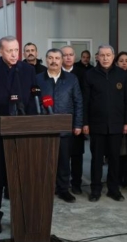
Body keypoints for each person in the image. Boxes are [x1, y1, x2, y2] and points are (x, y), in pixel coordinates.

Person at [0, 35, 36, 234]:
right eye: (9, 50)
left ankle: (21, 217)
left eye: (16, 50)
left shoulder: (27, 70)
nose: (14, 54)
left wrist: (33, 121)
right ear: (0, 51)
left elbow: (33, 97)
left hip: (22, 132)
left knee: (19, 177)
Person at [83, 44, 127, 202]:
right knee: (96, 159)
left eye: (108, 55)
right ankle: (96, 190)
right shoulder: (90, 74)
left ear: (113, 57)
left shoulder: (122, 75)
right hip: (96, 125)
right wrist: (85, 123)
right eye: (102, 55)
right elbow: (85, 102)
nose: (105, 58)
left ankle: (114, 189)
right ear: (97, 57)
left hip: (117, 125)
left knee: (114, 159)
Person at [37, 48, 83, 203]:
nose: (54, 61)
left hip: (65, 127)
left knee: (64, 161)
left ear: (62, 60)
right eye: (50, 58)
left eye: (57, 58)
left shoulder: (72, 79)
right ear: (46, 59)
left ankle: (63, 190)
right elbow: (32, 102)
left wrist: (77, 124)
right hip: (44, 127)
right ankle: (45, 189)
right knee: (45, 161)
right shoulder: (38, 79)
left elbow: (78, 102)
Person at [61, 46, 86, 195]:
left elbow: (83, 100)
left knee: (77, 155)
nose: (68, 57)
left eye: (71, 55)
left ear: (74, 56)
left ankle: (76, 183)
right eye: (65, 55)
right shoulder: (56, 73)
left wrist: (81, 122)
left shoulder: (82, 73)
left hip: (77, 119)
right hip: (60, 121)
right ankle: (61, 184)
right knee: (62, 156)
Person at [113, 51, 127, 190]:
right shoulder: (115, 75)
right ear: (116, 62)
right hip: (117, 120)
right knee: (119, 152)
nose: (124, 63)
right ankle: (118, 178)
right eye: (121, 60)